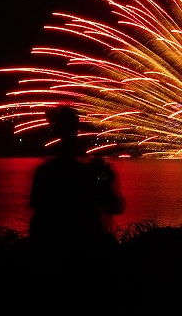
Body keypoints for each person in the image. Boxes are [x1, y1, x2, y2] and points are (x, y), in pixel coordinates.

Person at [28, 106, 125, 259]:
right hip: (86, 248)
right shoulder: (89, 172)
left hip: (50, 249)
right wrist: (105, 180)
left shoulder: (44, 172)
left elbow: (37, 209)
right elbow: (116, 206)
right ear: (77, 129)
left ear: (54, 130)